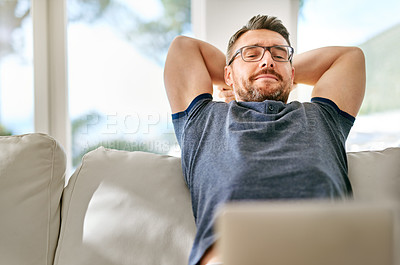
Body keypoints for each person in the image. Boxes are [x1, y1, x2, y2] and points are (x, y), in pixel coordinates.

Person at [163, 15, 365, 265]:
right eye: (252, 53)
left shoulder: (323, 118)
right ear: (226, 74)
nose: (268, 60)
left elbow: (350, 58)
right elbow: (184, 48)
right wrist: (249, 74)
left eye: (279, 54)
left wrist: (273, 70)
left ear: (293, 74)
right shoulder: (203, 119)